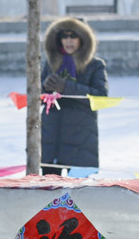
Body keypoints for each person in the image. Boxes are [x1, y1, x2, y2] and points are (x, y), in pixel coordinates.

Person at [39, 17, 108, 176]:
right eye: (64, 36)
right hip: (51, 140)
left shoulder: (95, 65)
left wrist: (66, 87)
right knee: (49, 195)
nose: (68, 41)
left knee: (78, 196)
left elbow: (101, 98)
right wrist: (45, 87)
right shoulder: (51, 63)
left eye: (73, 36)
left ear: (83, 39)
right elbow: (37, 96)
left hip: (80, 141)